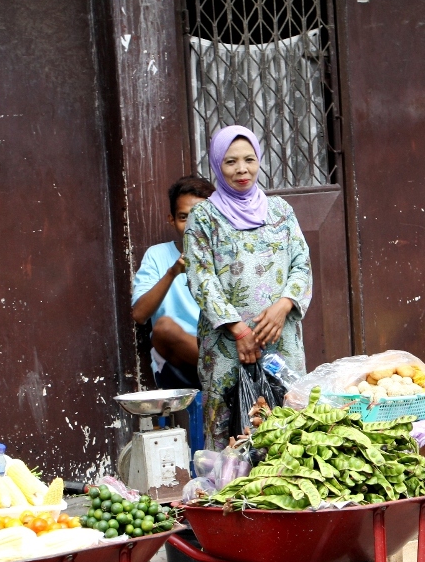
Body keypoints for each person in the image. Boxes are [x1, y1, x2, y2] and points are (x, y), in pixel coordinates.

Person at [185, 126, 312, 448]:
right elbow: (201, 277)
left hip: (280, 340)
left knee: (290, 420)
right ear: (217, 165)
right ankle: (227, 494)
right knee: (229, 428)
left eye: (249, 160)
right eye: (230, 162)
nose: (242, 170)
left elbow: (301, 263)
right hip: (226, 347)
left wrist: (284, 305)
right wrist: (238, 330)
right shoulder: (203, 216)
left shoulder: (281, 211)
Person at [131, 176, 216, 390]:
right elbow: (140, 315)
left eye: (200, 217)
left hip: (219, 346)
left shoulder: (227, 257)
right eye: (183, 217)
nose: (191, 226)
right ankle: (224, 370)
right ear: (172, 220)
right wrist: (173, 272)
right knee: (164, 328)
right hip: (178, 365)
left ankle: (225, 369)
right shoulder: (157, 255)